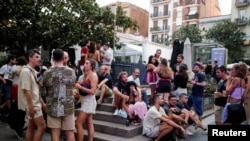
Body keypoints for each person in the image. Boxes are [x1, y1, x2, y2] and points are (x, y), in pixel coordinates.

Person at [41, 49, 76, 141]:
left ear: (52, 58)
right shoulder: (71, 71)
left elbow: (43, 92)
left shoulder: (46, 73)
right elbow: (73, 85)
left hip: (52, 106)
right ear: (63, 58)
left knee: (55, 133)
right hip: (68, 106)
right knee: (70, 132)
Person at [18, 50, 46, 141]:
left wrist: (42, 103)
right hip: (33, 104)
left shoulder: (32, 71)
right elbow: (27, 91)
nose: (39, 59)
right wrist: (30, 106)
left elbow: (35, 90)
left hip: (34, 103)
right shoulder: (26, 71)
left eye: (39, 57)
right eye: (37, 57)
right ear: (30, 58)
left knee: (31, 126)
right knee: (42, 126)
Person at [75, 59, 98, 141]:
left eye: (87, 63)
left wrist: (80, 87)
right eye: (85, 63)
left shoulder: (93, 75)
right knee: (89, 122)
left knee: (78, 123)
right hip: (84, 100)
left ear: (91, 66)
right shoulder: (82, 76)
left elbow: (92, 91)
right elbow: (78, 87)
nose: (84, 64)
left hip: (89, 101)